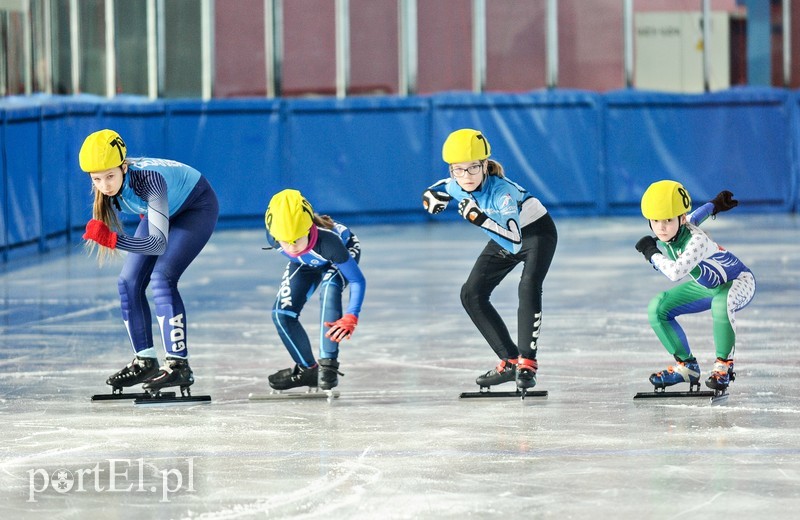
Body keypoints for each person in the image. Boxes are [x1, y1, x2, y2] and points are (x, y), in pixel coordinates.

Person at [78, 129, 219, 395]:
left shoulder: (148, 180)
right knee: (127, 282)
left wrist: (112, 239)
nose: (105, 186)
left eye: (110, 176)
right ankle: (145, 360)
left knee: (162, 277)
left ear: (123, 166)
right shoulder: (109, 186)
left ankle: (179, 365)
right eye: (97, 179)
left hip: (195, 208)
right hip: (162, 212)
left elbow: (157, 244)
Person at [422, 128, 558, 391]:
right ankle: (509, 361)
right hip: (502, 233)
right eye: (458, 170)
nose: (466, 176)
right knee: (471, 294)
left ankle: (527, 364)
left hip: (536, 232)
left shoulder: (502, 193)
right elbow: (438, 189)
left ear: (485, 165)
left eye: (473, 168)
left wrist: (480, 219)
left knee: (528, 285)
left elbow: (515, 242)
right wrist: (429, 198)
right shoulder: (455, 182)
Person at [635, 180, 755, 393]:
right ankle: (686, 367)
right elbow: (697, 215)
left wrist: (651, 253)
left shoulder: (696, 240)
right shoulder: (680, 224)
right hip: (708, 286)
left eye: (667, 220)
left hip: (739, 282)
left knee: (721, 302)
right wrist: (714, 205)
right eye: (655, 220)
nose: (661, 227)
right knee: (658, 308)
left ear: (681, 219)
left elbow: (674, 272)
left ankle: (724, 367)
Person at [263, 189, 366, 391]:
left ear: (310, 227)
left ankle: (328, 366)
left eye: (298, 239)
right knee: (281, 314)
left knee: (330, 289)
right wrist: (300, 247)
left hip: (337, 256)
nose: (292, 247)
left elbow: (357, 280)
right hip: (309, 261)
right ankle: (308, 370)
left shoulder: (329, 242)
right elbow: (298, 252)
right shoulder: (273, 236)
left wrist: (352, 315)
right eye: (286, 241)